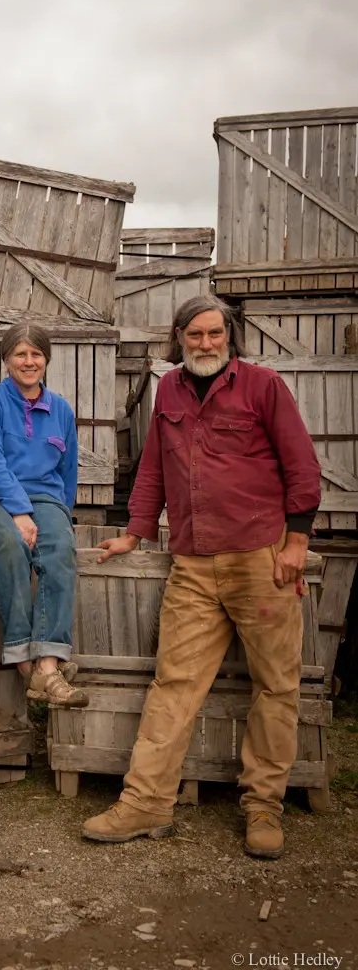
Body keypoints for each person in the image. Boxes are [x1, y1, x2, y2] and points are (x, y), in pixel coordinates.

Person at [82, 294, 321, 860]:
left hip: (259, 562)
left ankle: (263, 807)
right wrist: (134, 533)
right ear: (180, 337)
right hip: (191, 564)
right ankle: (146, 804)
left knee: (276, 687)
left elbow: (301, 466)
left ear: (228, 337)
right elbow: (153, 469)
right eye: (196, 335)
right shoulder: (168, 390)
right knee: (174, 685)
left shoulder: (263, 386)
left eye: (216, 334)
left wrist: (296, 544)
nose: (206, 343)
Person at [0, 323, 88, 708]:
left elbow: (68, 471)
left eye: (36, 354)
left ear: (46, 360)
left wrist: (60, 517)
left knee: (59, 551)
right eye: (20, 354)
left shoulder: (61, 409)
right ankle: (23, 659)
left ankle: (48, 665)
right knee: (8, 543)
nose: (29, 361)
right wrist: (18, 511)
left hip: (44, 496)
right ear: (5, 360)